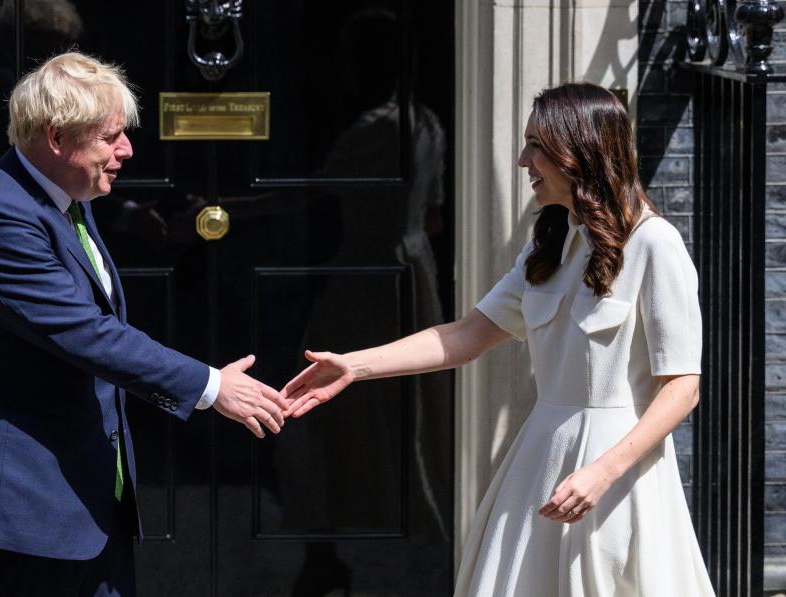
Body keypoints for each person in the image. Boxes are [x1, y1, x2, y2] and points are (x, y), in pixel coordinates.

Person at [281, 82, 714, 596]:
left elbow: (682, 386)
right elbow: (466, 334)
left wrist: (602, 472)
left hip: (616, 480)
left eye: (536, 144)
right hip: (540, 460)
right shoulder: (550, 244)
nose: (522, 159)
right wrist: (355, 366)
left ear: (580, 149)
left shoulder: (654, 243)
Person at [0, 52, 287, 596]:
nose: (127, 150)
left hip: (87, 507)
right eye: (110, 137)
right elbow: (87, 334)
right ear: (56, 138)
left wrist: (129, 217)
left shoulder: (65, 196)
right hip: (21, 520)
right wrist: (212, 387)